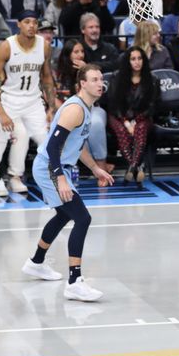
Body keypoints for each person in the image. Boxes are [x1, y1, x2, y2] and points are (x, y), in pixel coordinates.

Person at [22, 64, 114, 301]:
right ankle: (74, 281)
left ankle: (36, 262)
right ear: (82, 83)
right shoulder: (75, 109)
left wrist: (95, 168)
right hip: (49, 168)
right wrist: (60, 178)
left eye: (101, 79)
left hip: (55, 167)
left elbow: (78, 142)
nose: (99, 83)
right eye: (94, 79)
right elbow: (53, 146)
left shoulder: (87, 107)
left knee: (64, 215)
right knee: (82, 218)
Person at [0, 11, 55, 224]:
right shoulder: (8, 46)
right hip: (9, 102)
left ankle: (58, 200)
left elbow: (46, 77)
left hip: (33, 102)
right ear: (18, 24)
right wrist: (2, 112)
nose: (32, 26)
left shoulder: (43, 46)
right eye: (27, 22)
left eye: (35, 22)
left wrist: (51, 107)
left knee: (51, 149)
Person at [107, 46, 160, 183]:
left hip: (142, 117)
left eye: (139, 58)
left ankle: (131, 167)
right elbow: (114, 104)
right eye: (133, 59)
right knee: (121, 130)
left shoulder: (152, 79)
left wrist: (135, 121)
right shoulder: (117, 77)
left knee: (141, 128)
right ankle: (137, 167)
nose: (137, 62)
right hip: (118, 116)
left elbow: (152, 106)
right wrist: (125, 122)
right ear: (127, 61)